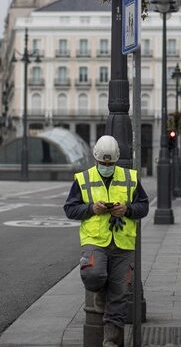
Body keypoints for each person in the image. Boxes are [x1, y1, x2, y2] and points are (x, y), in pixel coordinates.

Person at [63, 135, 149, 347]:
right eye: (103, 163)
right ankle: (100, 292)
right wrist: (91, 208)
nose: (107, 166)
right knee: (93, 275)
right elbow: (70, 209)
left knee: (119, 297)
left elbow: (144, 207)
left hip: (123, 244)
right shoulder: (83, 178)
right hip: (95, 241)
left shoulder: (130, 177)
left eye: (110, 163)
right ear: (96, 159)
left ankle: (110, 342)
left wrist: (127, 209)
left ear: (117, 159)